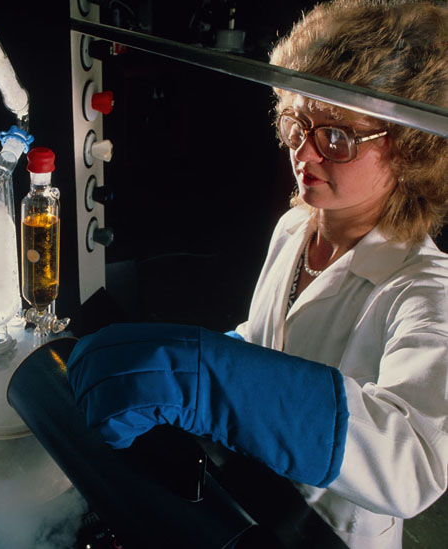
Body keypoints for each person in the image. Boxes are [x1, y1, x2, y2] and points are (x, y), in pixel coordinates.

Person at [65, 1, 448, 547]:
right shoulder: (296, 227)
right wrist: (196, 370)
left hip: (328, 533)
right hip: (252, 499)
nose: (304, 154)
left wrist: (213, 380)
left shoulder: (429, 291)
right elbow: (263, 340)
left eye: (336, 137)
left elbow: (414, 461)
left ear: (412, 149)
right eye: (297, 123)